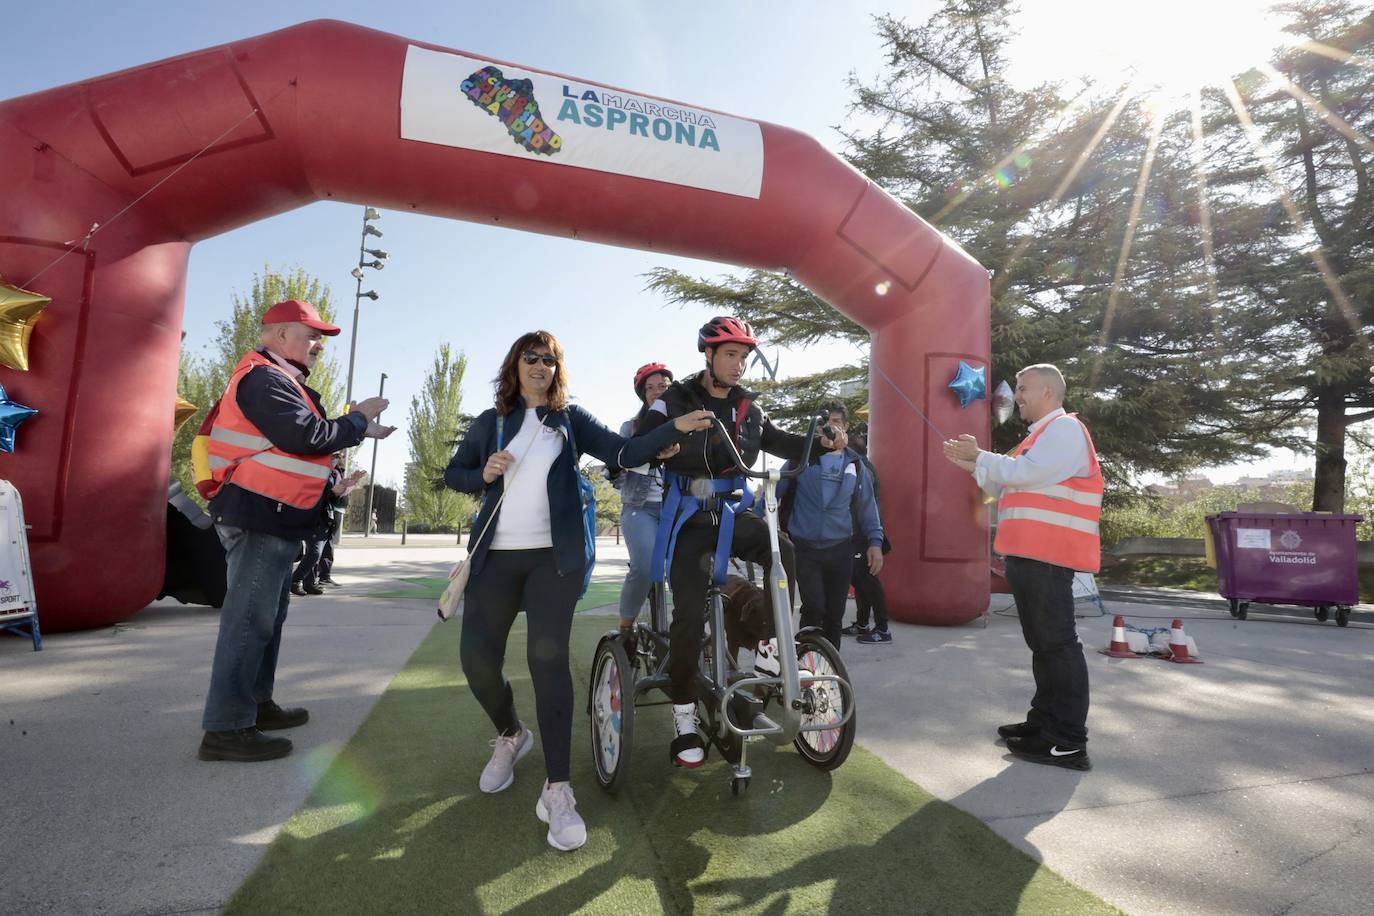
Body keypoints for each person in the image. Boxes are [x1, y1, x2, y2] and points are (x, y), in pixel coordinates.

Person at [444, 330, 711, 852]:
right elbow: (455, 475)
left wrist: (671, 425)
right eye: (531, 358)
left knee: (547, 666)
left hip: (553, 562)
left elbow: (626, 450)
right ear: (515, 365)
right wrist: (483, 471)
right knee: (476, 661)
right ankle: (511, 734)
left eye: (549, 359)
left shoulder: (568, 419)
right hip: (494, 560)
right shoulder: (492, 421)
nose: (540, 366)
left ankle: (558, 790)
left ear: (557, 369)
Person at [638, 316, 843, 769]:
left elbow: (783, 441)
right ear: (708, 355)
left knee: (781, 550)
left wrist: (826, 443)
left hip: (734, 513)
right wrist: (664, 442)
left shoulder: (750, 407)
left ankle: (770, 648)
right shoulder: (674, 399)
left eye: (745, 356)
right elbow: (640, 439)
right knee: (688, 615)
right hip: (690, 521)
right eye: (731, 355)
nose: (739, 365)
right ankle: (684, 714)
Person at [198, 299, 394, 763]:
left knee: (267, 619)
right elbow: (306, 436)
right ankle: (227, 726)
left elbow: (304, 443)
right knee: (250, 621)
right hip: (258, 514)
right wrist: (359, 419)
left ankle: (255, 705)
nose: (317, 345)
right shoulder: (263, 378)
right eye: (310, 335)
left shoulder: (277, 379)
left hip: (273, 515)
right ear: (278, 335)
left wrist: (353, 430)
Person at [942, 363, 1101, 771]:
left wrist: (980, 456)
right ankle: (1043, 724)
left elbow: (1025, 474)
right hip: (1030, 557)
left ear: (1049, 393)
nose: (1016, 395)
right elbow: (1001, 484)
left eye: (1023, 387)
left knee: (1057, 646)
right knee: (1044, 645)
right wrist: (971, 462)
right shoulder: (1037, 439)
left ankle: (1067, 741)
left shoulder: (1064, 431)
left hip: (1048, 556)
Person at [776, 403, 884, 651]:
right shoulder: (800, 459)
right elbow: (773, 493)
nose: (831, 428)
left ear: (846, 427)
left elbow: (868, 507)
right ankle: (806, 664)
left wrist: (875, 543)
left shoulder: (856, 465)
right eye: (826, 423)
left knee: (835, 614)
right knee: (814, 608)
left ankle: (830, 672)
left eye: (837, 422)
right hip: (804, 548)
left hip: (840, 549)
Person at [612, 363, 676, 634]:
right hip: (640, 507)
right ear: (643, 395)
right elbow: (613, 472)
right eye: (649, 388)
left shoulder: (687, 425)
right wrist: (646, 459)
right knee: (646, 565)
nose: (656, 392)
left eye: (662, 386)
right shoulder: (631, 428)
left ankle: (690, 629)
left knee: (691, 569)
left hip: (678, 507)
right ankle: (626, 628)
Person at [843, 432, 893, 643]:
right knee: (861, 580)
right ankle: (863, 624)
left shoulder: (862, 469)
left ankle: (882, 629)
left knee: (869, 580)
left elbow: (862, 505)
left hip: (864, 535)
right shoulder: (861, 466)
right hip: (859, 533)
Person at [291, 456, 363, 596]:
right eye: (333, 456)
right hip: (312, 515)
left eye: (337, 456)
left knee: (317, 552)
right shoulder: (313, 469)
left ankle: (309, 583)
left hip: (325, 515)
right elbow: (316, 492)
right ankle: (294, 580)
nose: (335, 459)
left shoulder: (332, 473)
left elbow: (331, 496)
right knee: (314, 552)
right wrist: (338, 488)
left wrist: (346, 485)